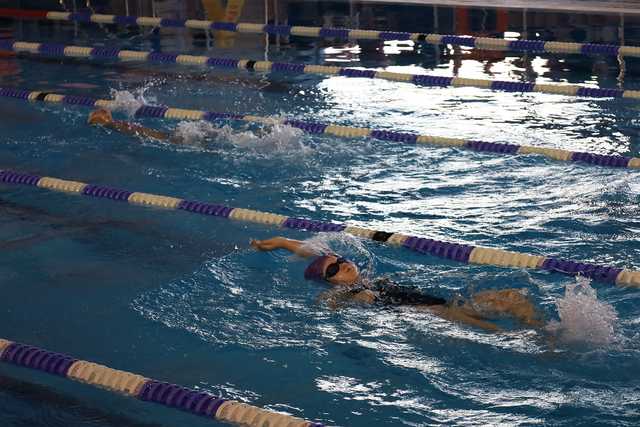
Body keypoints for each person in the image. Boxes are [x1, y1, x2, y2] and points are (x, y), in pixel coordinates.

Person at [251, 236, 543, 332]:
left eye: (340, 260)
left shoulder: (365, 278)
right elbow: (328, 306)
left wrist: (277, 242)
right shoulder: (352, 292)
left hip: (444, 303)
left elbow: (311, 250)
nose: (342, 265)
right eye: (334, 271)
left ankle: (547, 333)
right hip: (434, 315)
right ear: (332, 284)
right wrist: (329, 303)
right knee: (502, 333)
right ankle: (544, 348)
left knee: (511, 296)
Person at [88, 109, 173, 142]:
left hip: (140, 133)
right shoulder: (117, 123)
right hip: (141, 131)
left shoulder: (111, 125)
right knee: (167, 137)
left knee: (166, 138)